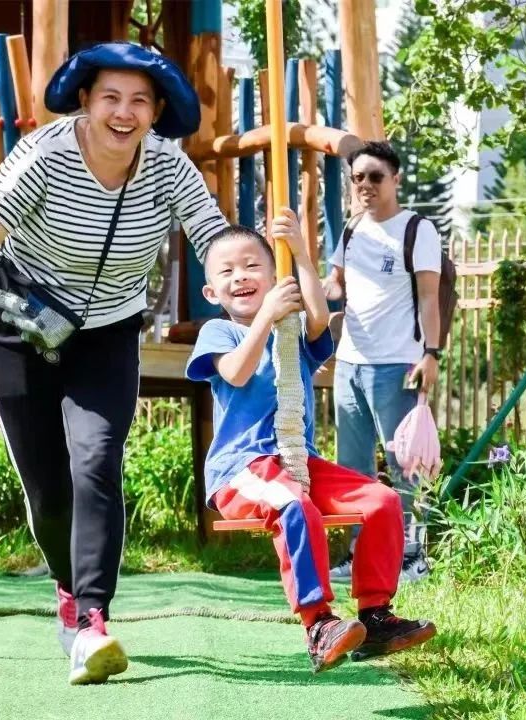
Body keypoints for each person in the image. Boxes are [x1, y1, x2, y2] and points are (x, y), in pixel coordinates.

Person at [0, 42, 227, 686]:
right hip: (21, 323)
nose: (123, 114)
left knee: (96, 459)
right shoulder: (44, 155)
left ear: (157, 113)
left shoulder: (168, 168)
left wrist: (248, 283)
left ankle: (93, 618)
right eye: (110, 98)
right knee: (47, 487)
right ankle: (66, 585)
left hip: (108, 333)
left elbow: (213, 237)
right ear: (85, 101)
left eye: (139, 102)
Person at [186, 215, 436, 673]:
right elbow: (236, 372)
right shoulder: (218, 333)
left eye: (251, 266)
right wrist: (267, 313)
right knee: (294, 506)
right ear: (212, 293)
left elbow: (320, 319)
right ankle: (318, 623)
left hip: (298, 463)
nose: (240, 276)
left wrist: (301, 251)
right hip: (243, 471)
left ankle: (375, 617)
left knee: (381, 501)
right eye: (227, 271)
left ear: (273, 277)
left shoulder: (290, 331)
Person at [323, 141, 443, 584]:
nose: (366, 185)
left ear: (395, 179)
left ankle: (413, 557)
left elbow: (430, 298)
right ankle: (359, 552)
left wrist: (431, 353)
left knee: (405, 464)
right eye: (358, 178)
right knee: (351, 466)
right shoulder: (353, 229)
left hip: (399, 363)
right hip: (350, 362)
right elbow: (335, 286)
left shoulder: (416, 229)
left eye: (375, 176)